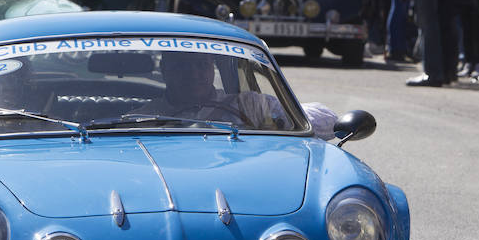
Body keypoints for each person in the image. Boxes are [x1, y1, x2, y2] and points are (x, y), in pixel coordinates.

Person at [134, 52, 338, 140]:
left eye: (201, 65)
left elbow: (329, 121)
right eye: (182, 66)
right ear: (165, 69)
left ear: (211, 69)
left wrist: (281, 123)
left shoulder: (249, 105)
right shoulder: (145, 117)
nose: (193, 74)